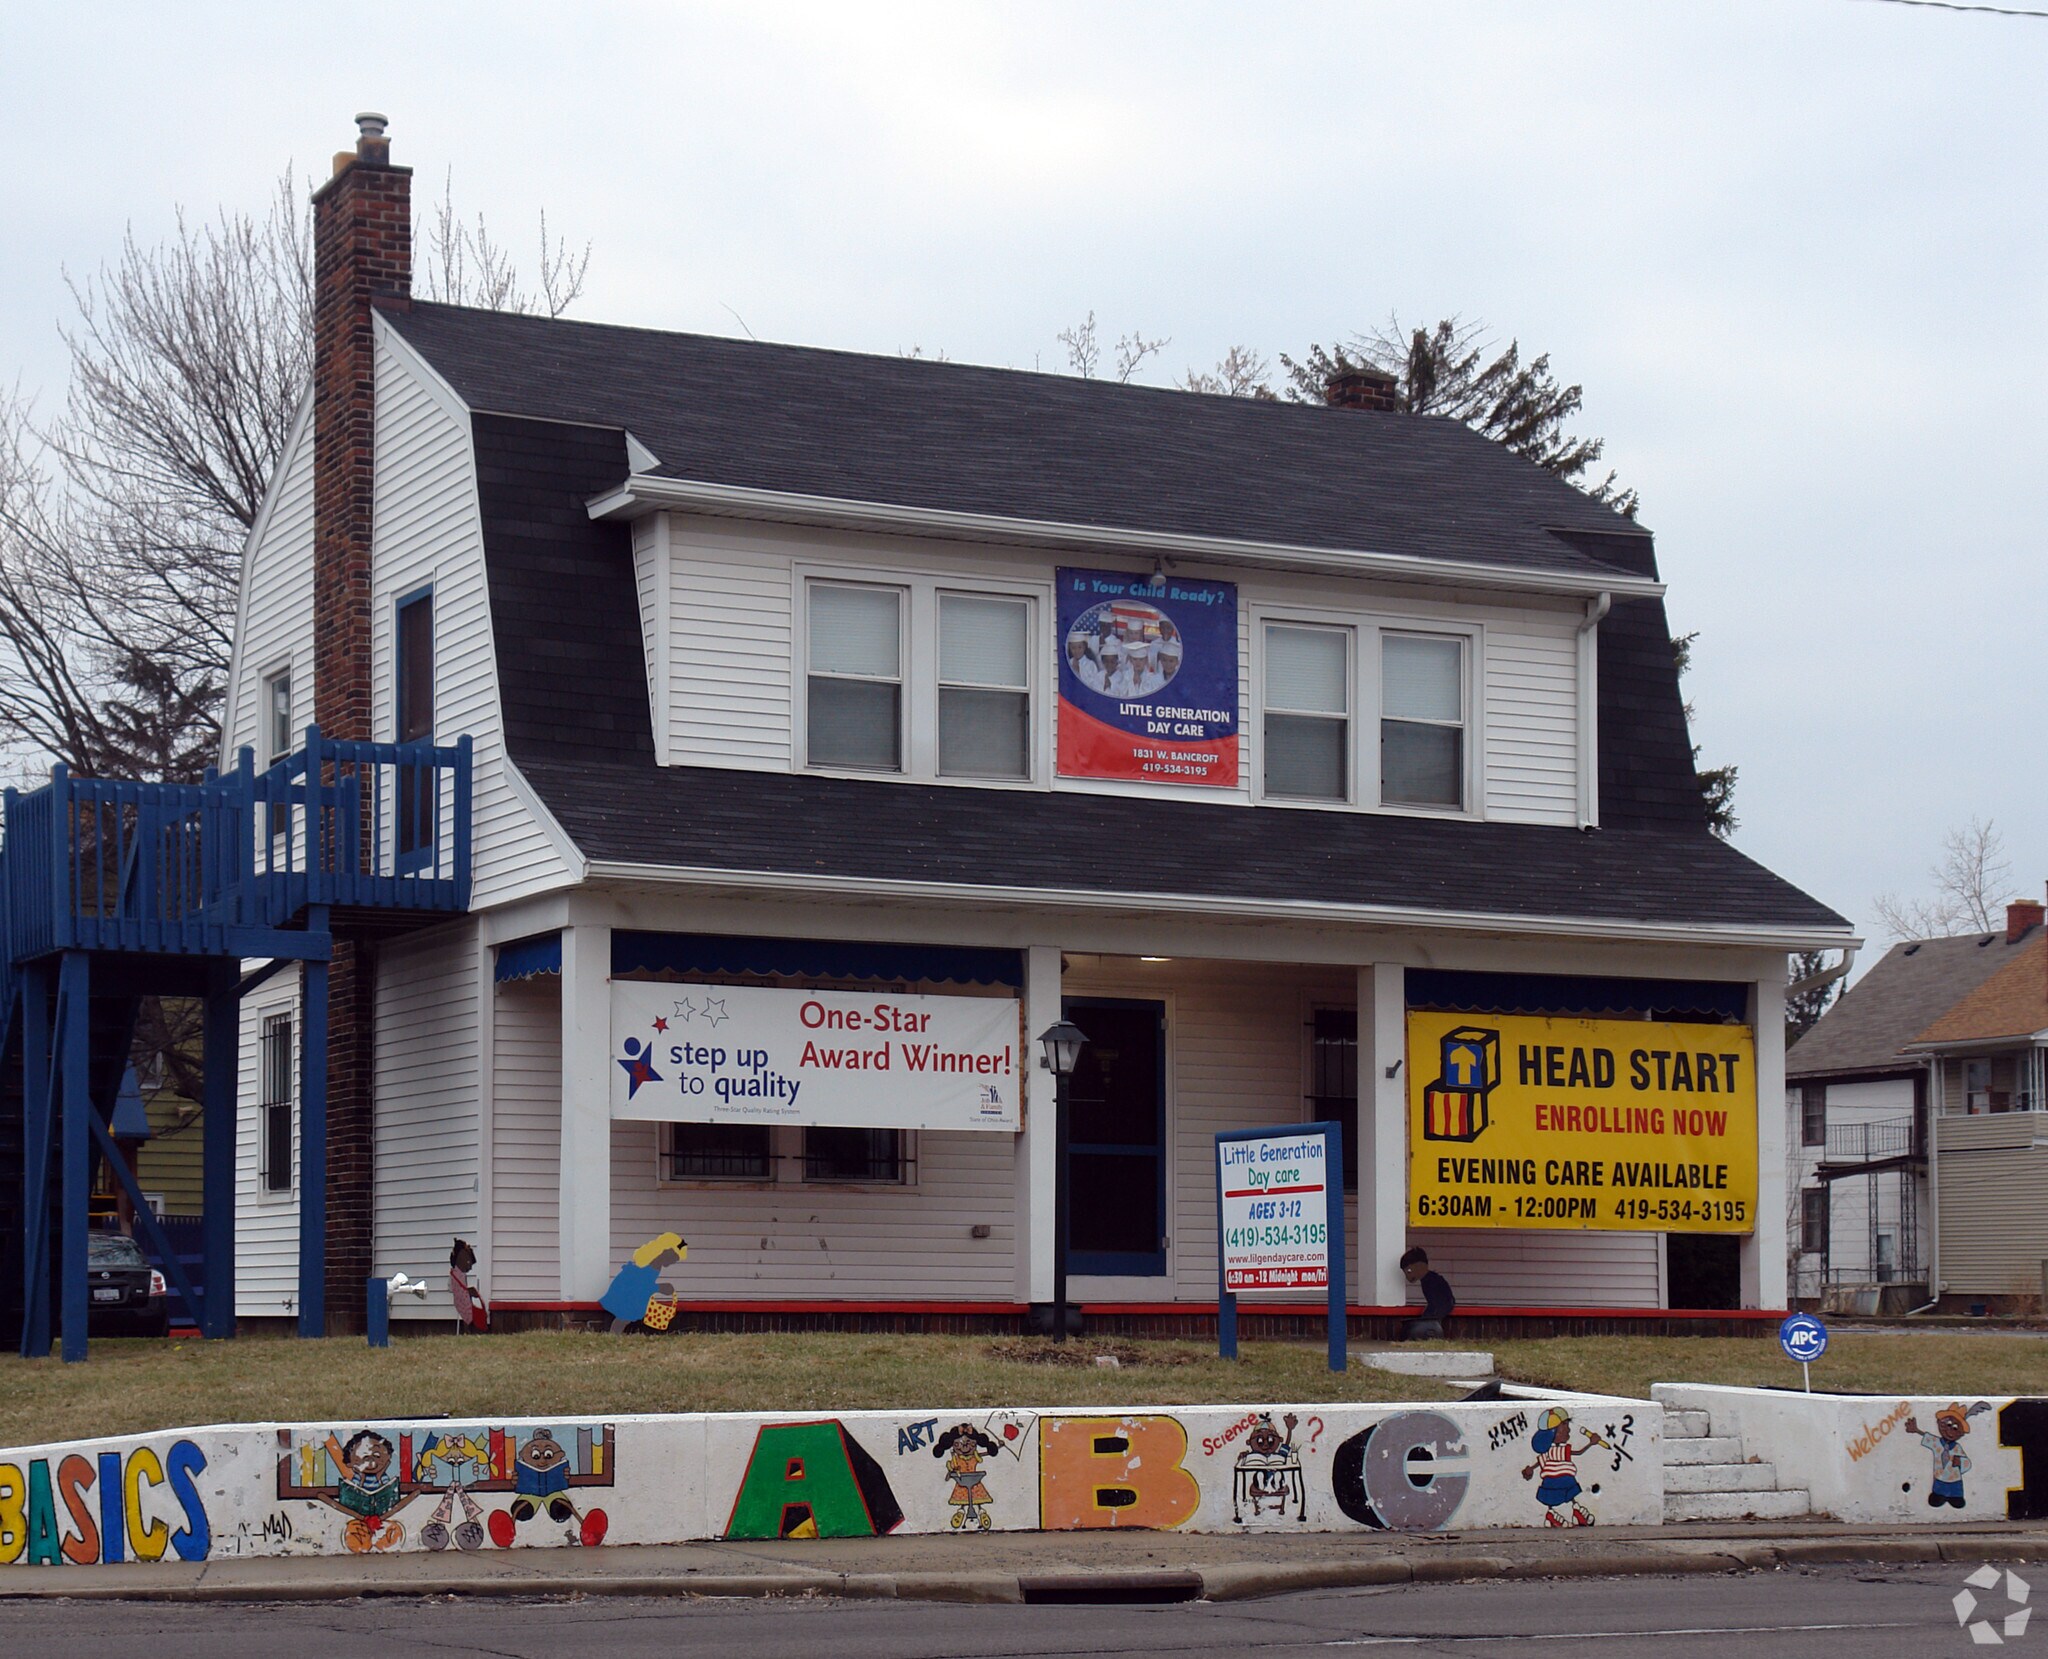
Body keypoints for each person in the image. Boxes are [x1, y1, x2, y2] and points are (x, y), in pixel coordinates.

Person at [1399, 1246, 1454, 1339]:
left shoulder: (1431, 1280)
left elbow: (1439, 1301)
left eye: (1409, 1271)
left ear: (1419, 1266)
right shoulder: (1427, 1280)